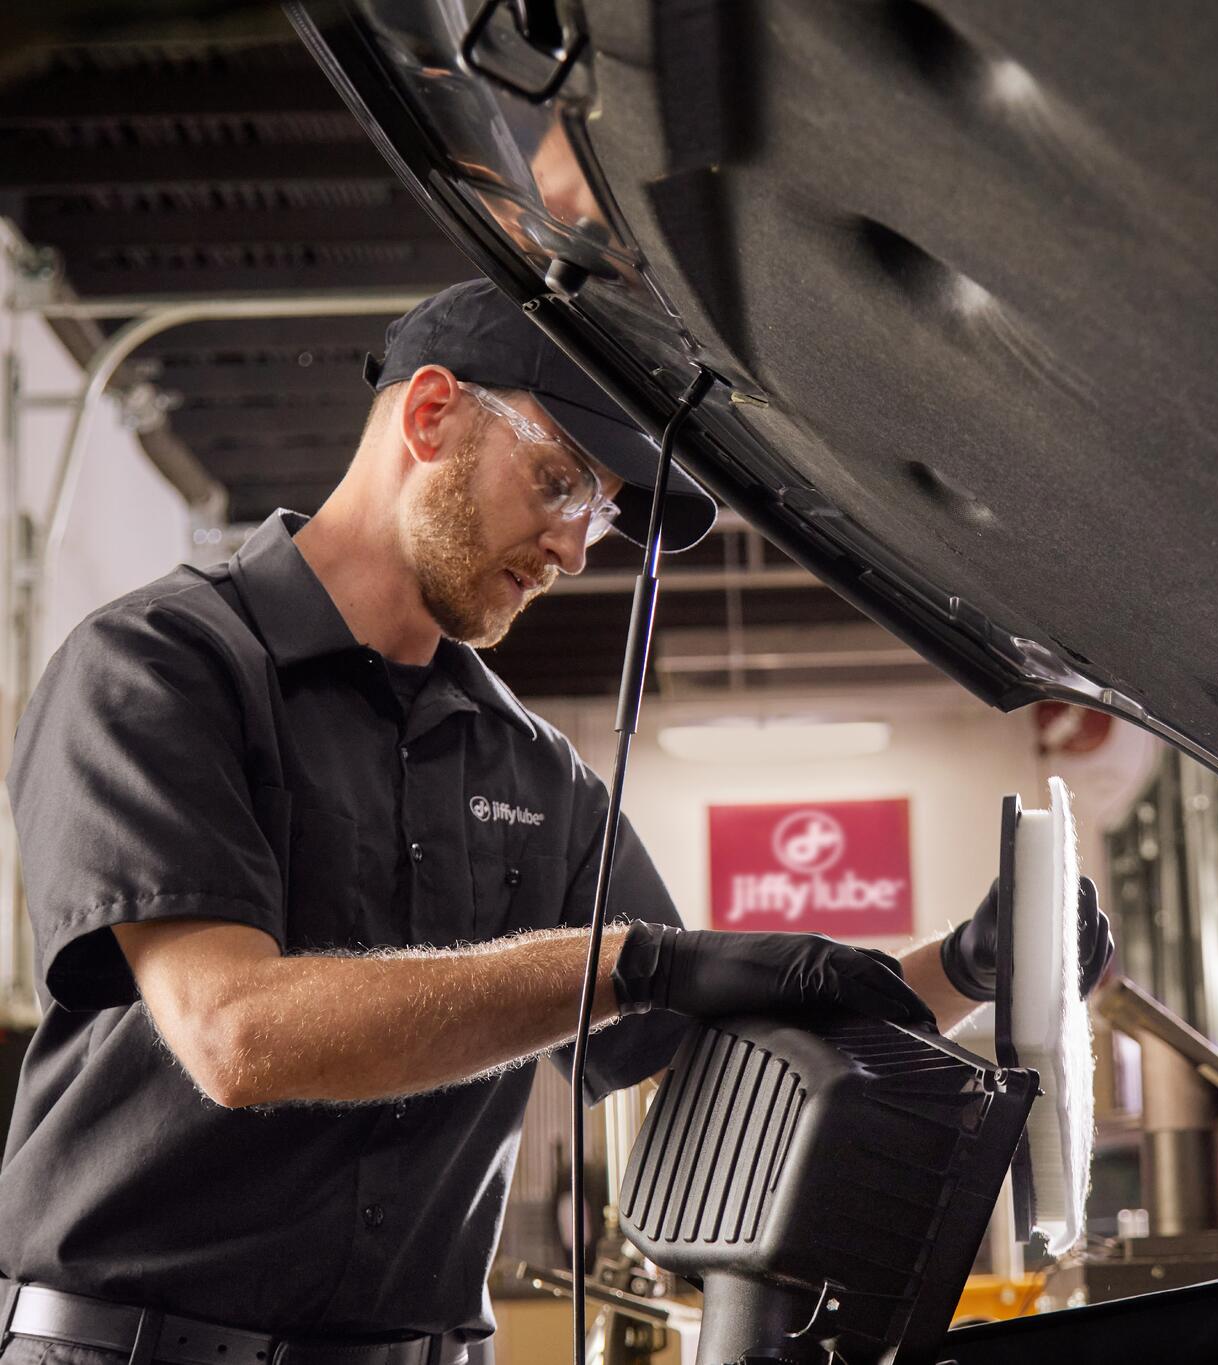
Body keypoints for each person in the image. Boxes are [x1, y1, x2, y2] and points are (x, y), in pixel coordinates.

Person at [0, 281, 1111, 1365]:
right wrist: (630, 963)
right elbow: (236, 1036)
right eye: (561, 481)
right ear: (431, 415)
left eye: (603, 513)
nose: (578, 550)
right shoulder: (158, 668)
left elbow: (721, 1057)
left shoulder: (537, 772)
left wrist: (963, 970)